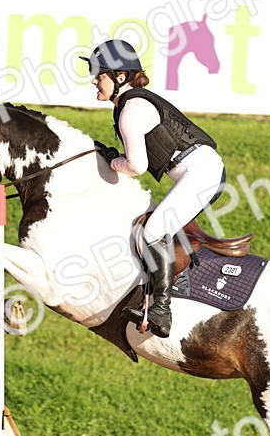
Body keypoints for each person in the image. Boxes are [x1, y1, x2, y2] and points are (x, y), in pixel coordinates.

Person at [82, 39, 227, 339]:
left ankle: (161, 310)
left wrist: (112, 161)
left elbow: (136, 165)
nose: (94, 78)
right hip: (197, 170)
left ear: (120, 77)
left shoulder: (131, 110)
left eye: (99, 73)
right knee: (152, 227)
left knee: (151, 232)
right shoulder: (130, 104)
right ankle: (157, 295)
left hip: (202, 173)